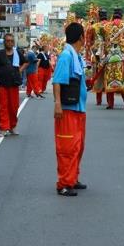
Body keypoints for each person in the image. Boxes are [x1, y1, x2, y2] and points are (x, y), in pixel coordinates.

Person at [52, 22, 88, 197]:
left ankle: (73, 177)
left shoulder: (77, 56)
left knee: (78, 146)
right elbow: (57, 80)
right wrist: (57, 104)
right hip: (67, 109)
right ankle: (64, 183)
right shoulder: (67, 55)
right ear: (82, 37)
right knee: (67, 147)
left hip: (78, 109)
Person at [0, 33, 28, 136]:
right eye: (7, 41)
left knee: (13, 107)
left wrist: (19, 71)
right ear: (4, 42)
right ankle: (3, 128)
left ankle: (12, 126)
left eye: (12, 41)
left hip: (14, 85)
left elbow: (25, 62)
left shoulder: (17, 53)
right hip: (1, 85)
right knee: (3, 107)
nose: (10, 42)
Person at [102, 8, 124, 109]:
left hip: (109, 56)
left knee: (109, 79)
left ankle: (110, 103)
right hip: (120, 56)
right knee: (121, 79)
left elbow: (105, 42)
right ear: (121, 15)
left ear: (113, 15)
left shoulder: (106, 26)